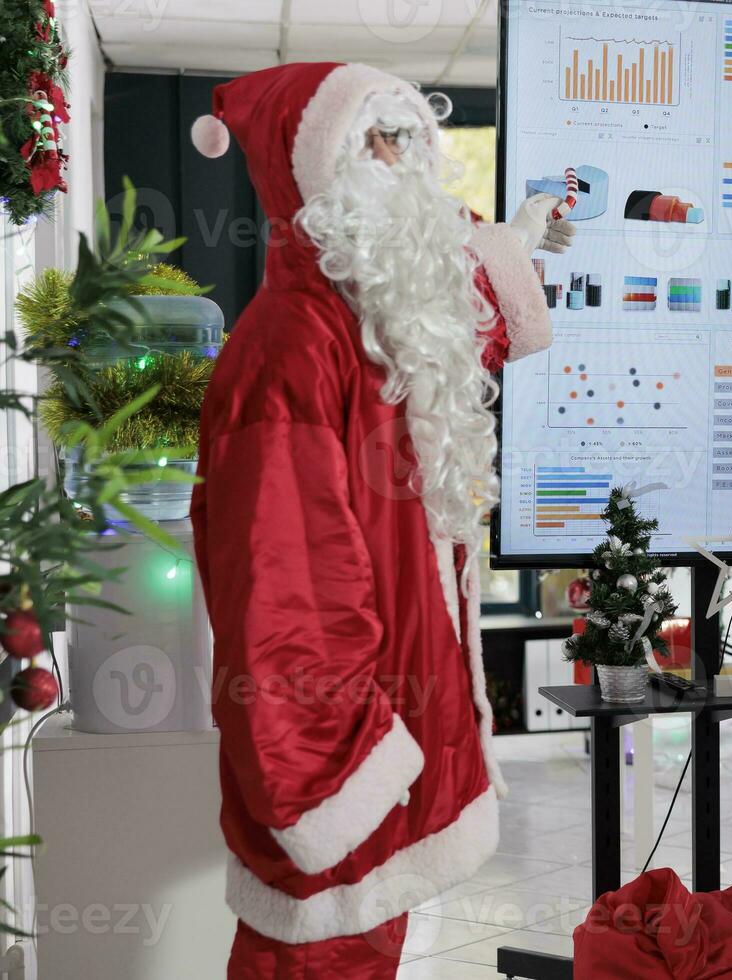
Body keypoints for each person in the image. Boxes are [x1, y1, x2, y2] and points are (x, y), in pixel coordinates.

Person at [187, 62, 573, 978]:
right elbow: (287, 595)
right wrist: (338, 768)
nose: (401, 160)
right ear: (310, 177)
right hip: (347, 760)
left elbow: (454, 321)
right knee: (317, 954)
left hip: (392, 735)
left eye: (409, 137)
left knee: (367, 949)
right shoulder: (287, 349)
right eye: (374, 140)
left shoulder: (372, 314)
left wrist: (518, 238)